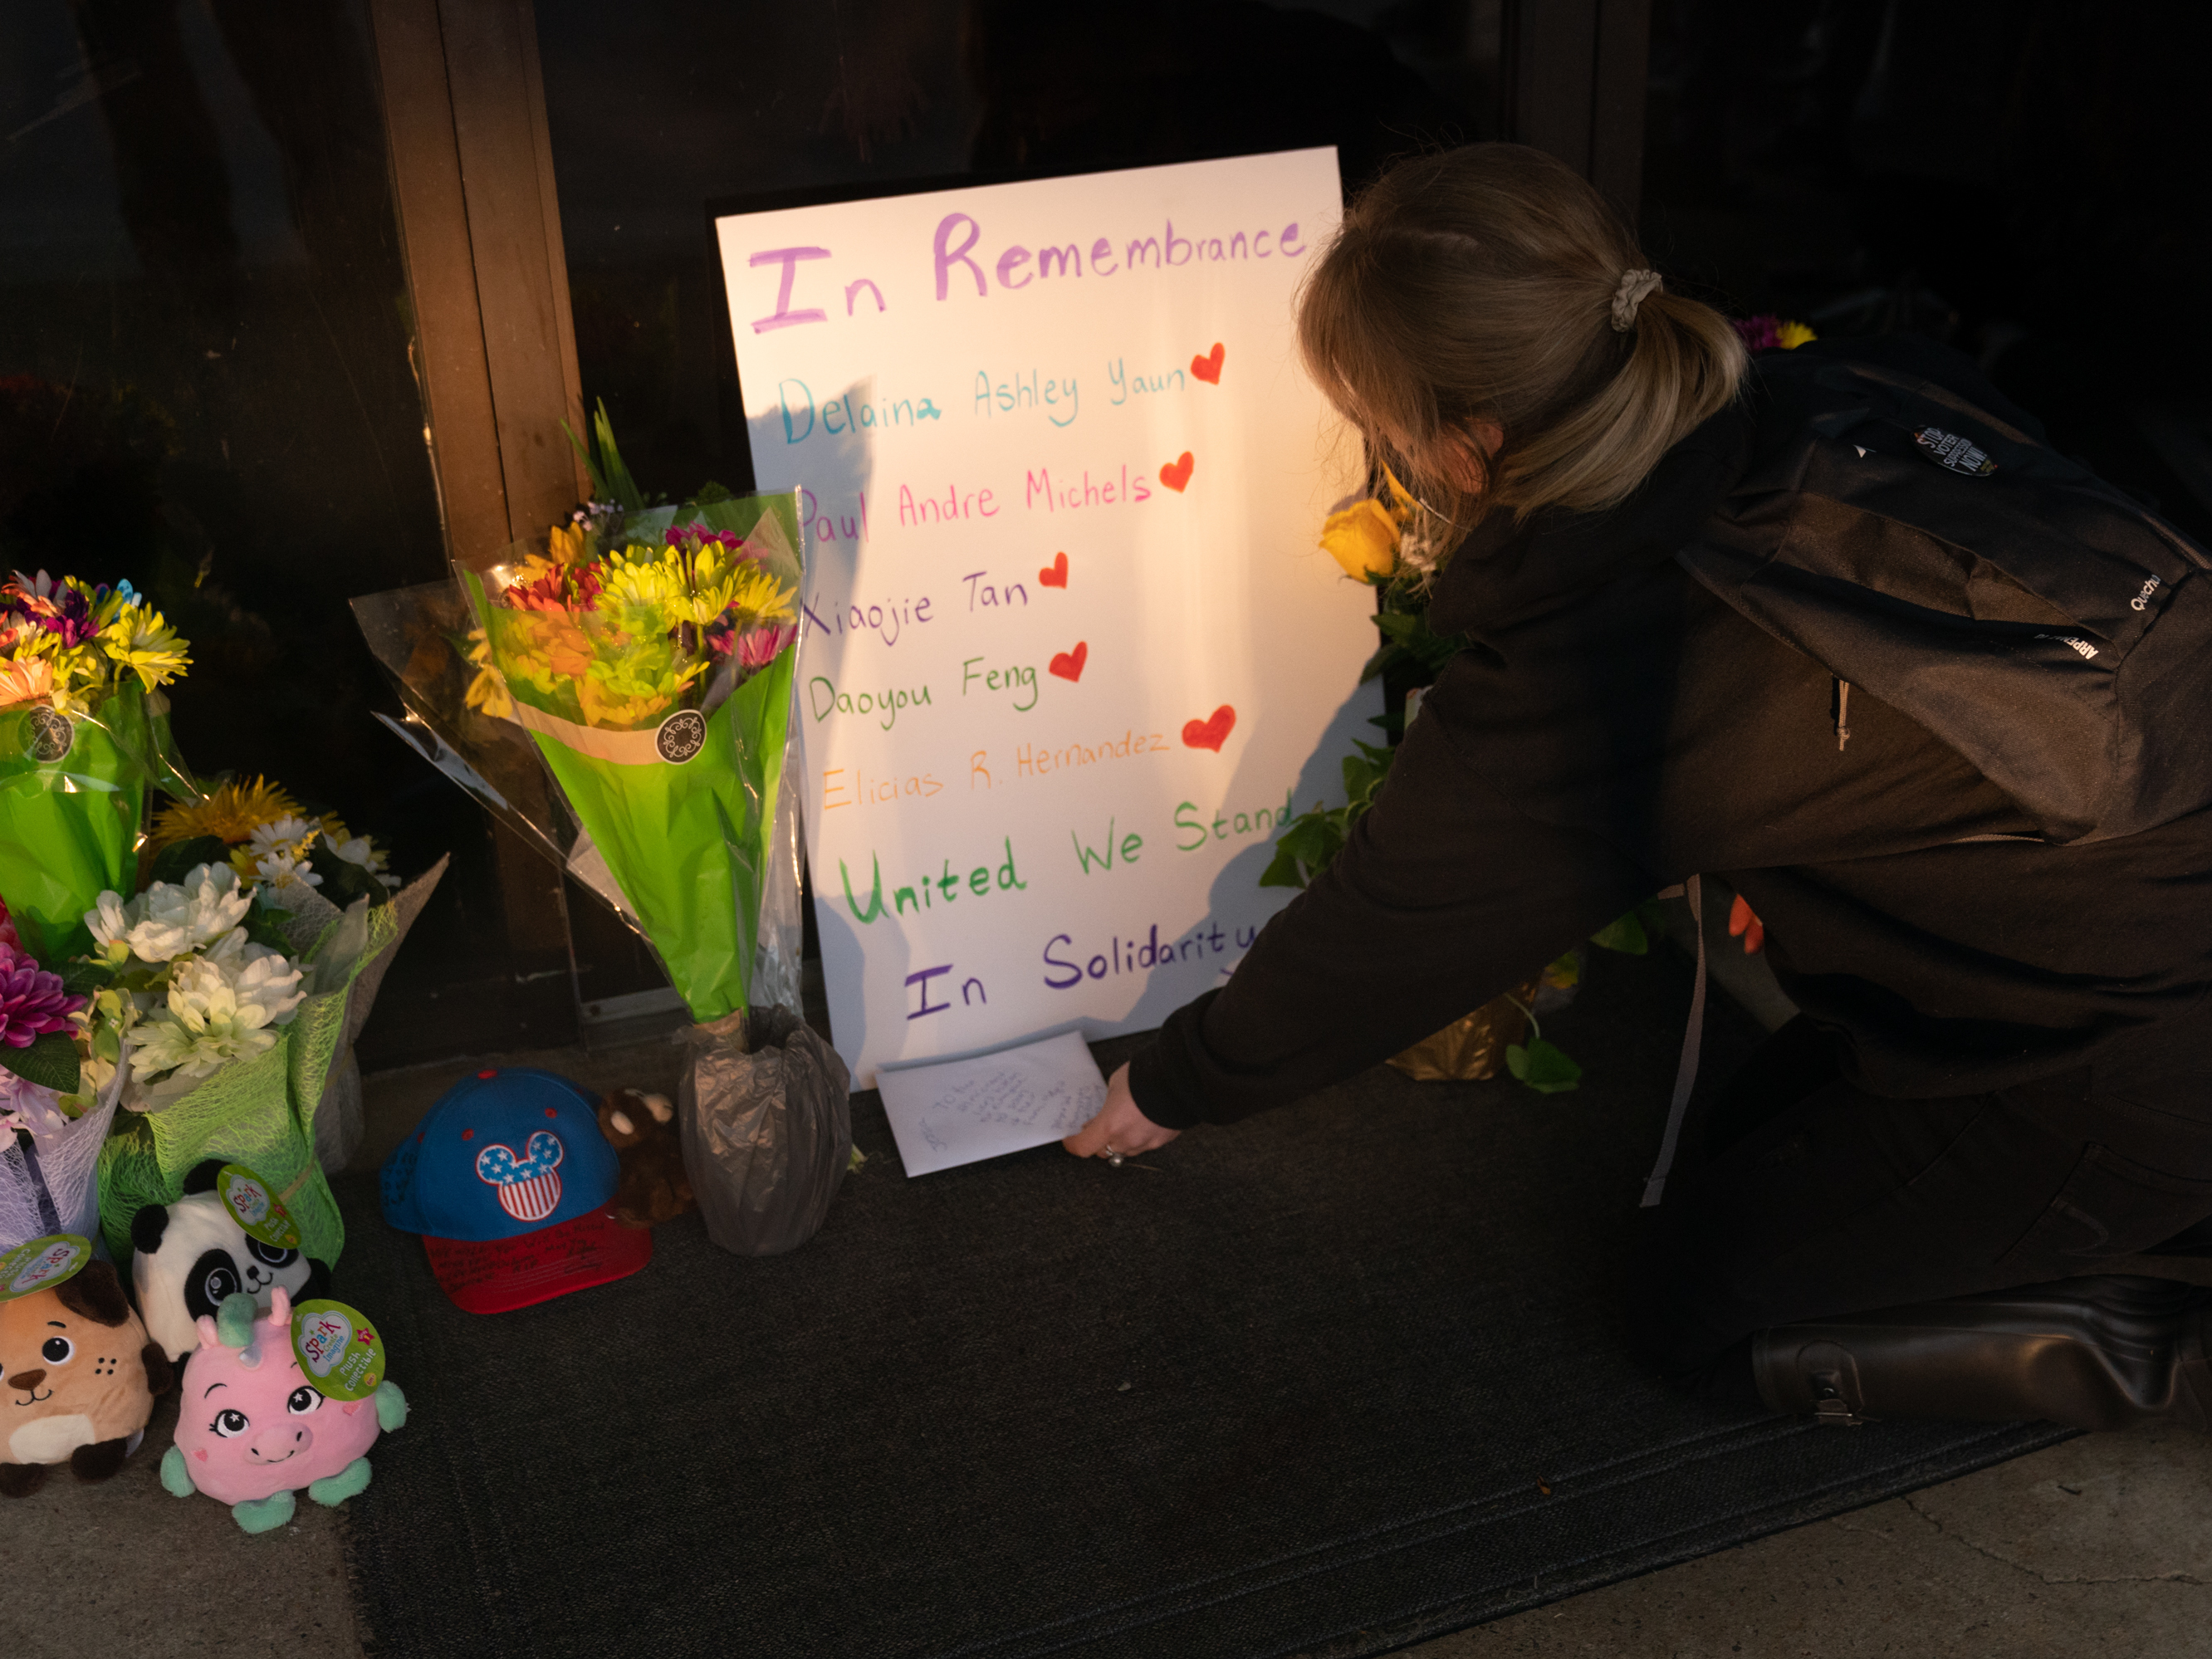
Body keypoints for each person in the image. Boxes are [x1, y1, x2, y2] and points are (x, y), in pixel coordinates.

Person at [1064, 142, 2212, 1431]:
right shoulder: (1847, 384)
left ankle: (2167, 1332)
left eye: (1377, 428)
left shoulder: (1628, 638)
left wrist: (1176, 1081)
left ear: (1469, 445)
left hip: (2132, 1051)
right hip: (2113, 934)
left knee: (1696, 1307)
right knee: (1746, 1151)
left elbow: (1395, 925)